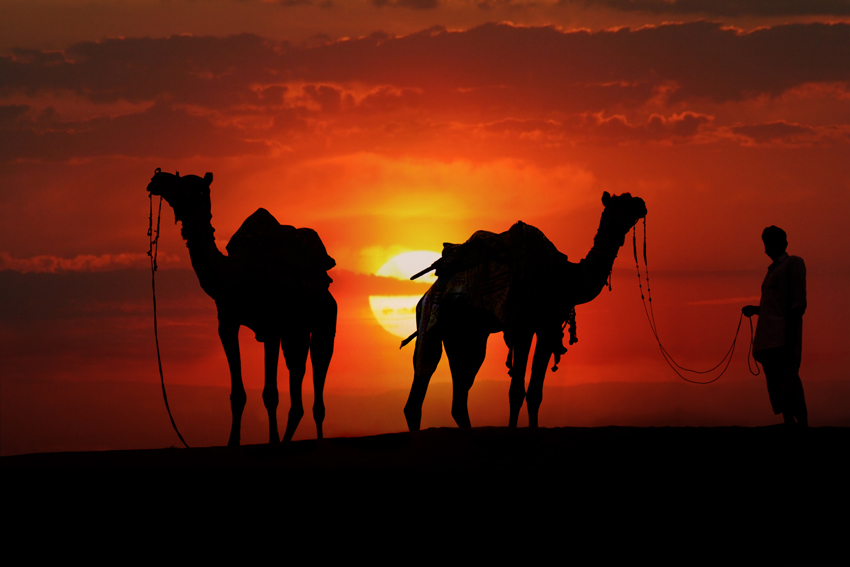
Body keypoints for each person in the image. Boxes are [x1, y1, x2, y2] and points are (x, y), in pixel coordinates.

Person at [743, 226, 808, 428]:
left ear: (784, 243)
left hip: (783, 335)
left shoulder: (793, 263)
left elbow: (798, 303)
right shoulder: (772, 271)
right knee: (775, 382)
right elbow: (775, 305)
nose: (767, 246)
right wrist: (756, 309)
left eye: (771, 241)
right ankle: (788, 421)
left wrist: (789, 334)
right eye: (766, 242)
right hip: (768, 337)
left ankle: (802, 423)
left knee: (789, 378)